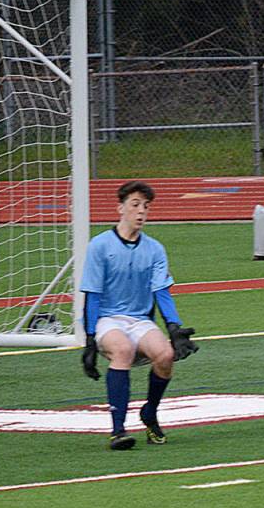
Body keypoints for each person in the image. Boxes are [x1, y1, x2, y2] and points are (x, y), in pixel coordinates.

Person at [80, 181, 198, 450]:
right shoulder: (100, 245)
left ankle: (150, 413)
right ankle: (118, 430)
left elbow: (161, 292)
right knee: (122, 349)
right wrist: (89, 340)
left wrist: (174, 328)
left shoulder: (155, 249)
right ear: (120, 208)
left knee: (166, 355)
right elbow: (92, 296)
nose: (141, 211)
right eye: (135, 205)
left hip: (140, 320)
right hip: (107, 320)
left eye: (146, 206)